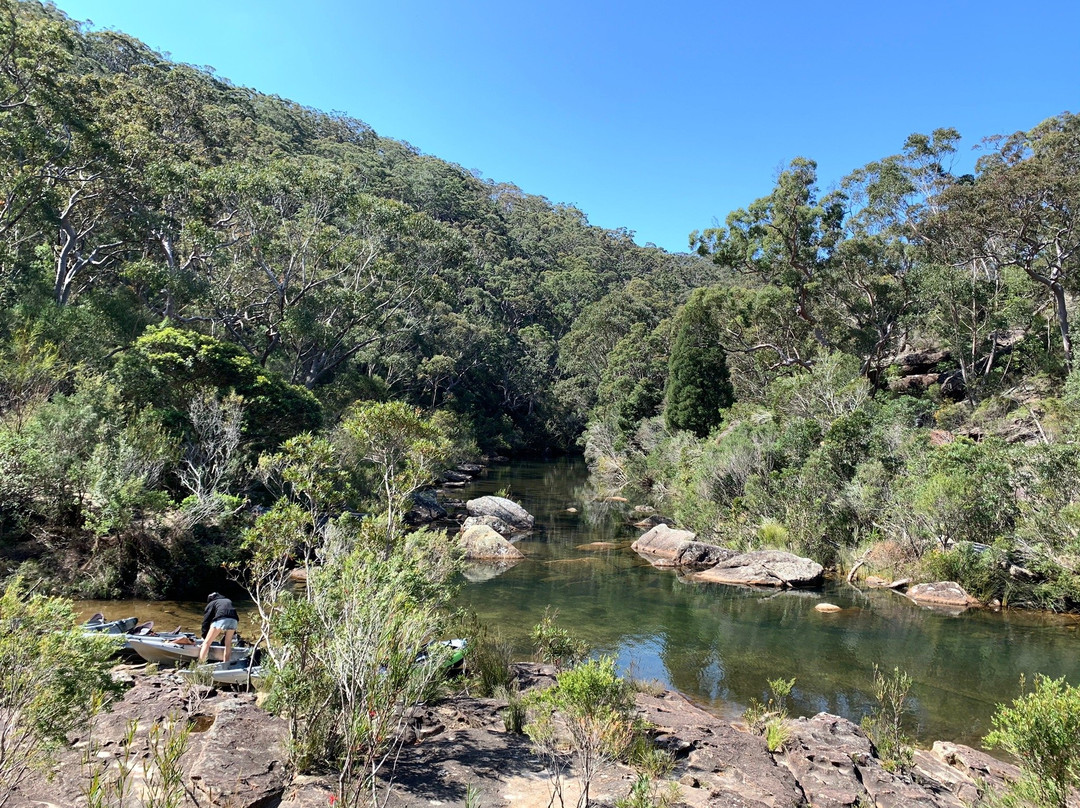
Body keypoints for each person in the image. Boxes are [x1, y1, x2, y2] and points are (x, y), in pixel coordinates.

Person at [199, 592, 239, 664]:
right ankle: (226, 664)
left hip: (221, 619)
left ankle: (200, 665)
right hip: (234, 620)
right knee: (228, 643)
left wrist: (204, 636)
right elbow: (232, 613)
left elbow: (206, 621)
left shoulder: (212, 603)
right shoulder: (227, 600)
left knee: (207, 643)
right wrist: (234, 633)